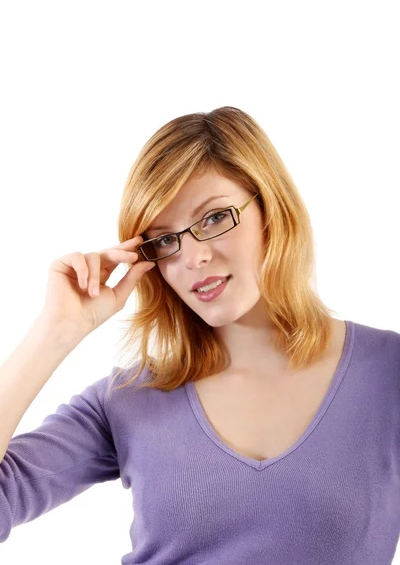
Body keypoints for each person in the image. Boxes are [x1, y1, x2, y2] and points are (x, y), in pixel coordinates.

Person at [1, 106, 400, 565]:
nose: (193, 258)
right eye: (164, 240)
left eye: (213, 219)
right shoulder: (128, 398)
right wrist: (55, 332)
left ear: (270, 207)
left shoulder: (387, 373)